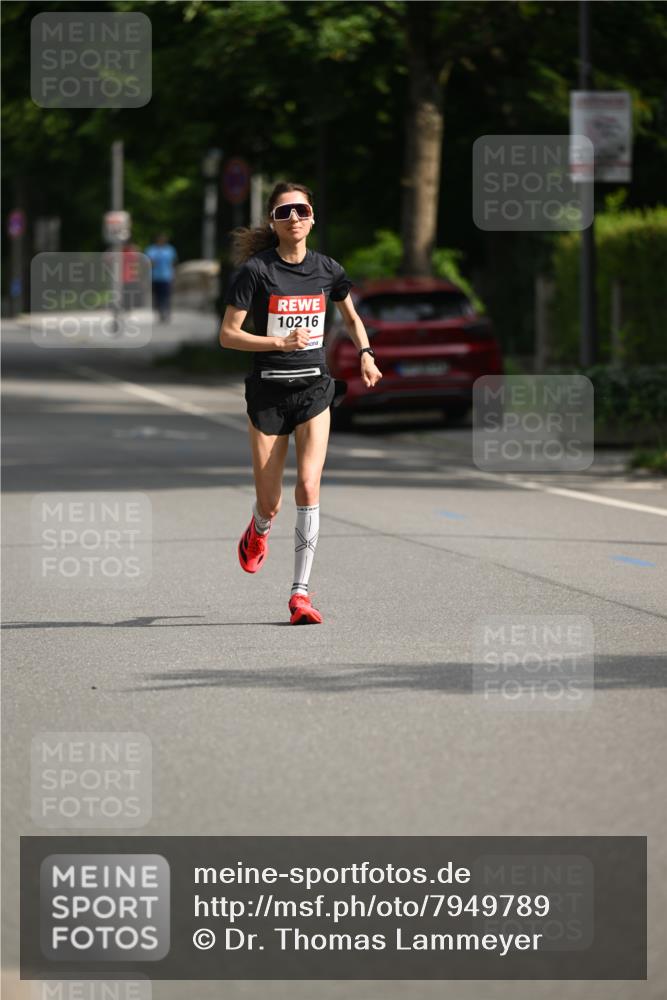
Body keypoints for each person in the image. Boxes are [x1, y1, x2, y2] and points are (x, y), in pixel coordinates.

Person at [220, 181, 382, 625]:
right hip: (269, 392)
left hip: (314, 389)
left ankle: (300, 594)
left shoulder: (328, 269)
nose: (294, 218)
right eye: (284, 212)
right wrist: (279, 341)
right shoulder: (256, 271)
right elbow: (228, 334)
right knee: (270, 501)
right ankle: (259, 528)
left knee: (309, 486)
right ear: (273, 222)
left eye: (301, 210)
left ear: (313, 217)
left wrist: (366, 355)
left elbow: (350, 316)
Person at [145, 233, 178, 322]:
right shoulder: (151, 250)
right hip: (155, 277)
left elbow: (173, 262)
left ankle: (166, 312)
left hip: (166, 276)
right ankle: (160, 312)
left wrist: (174, 274)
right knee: (157, 296)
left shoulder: (170, 250)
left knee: (166, 296)